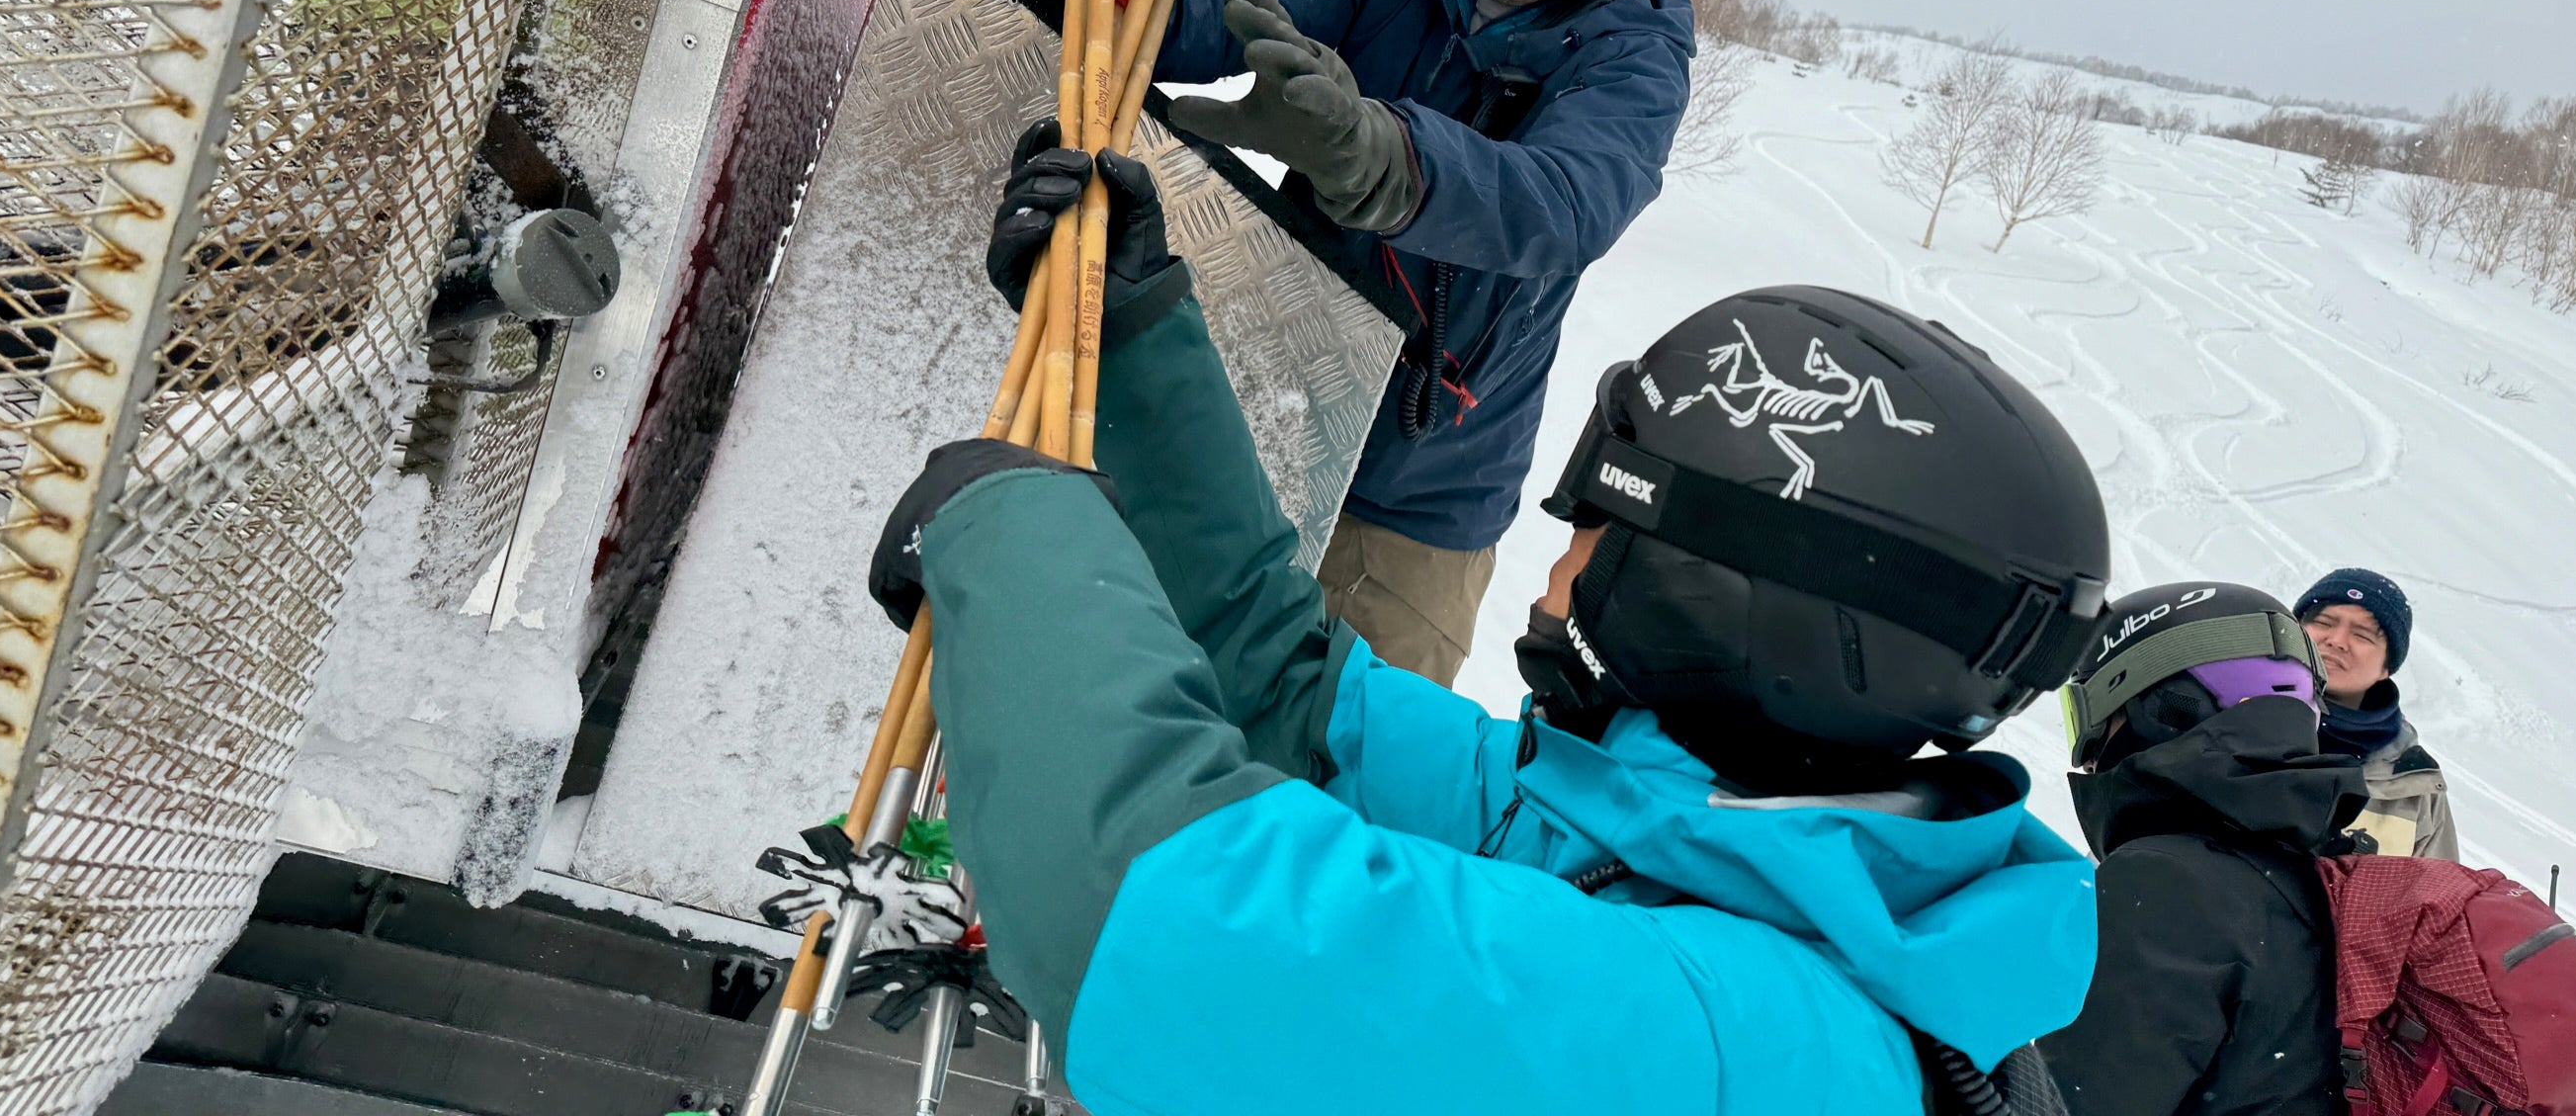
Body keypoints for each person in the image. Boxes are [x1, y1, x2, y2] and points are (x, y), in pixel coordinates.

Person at [858, 141, 2116, 1115]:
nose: (1550, 560)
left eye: (1597, 530)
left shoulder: (1744, 1050)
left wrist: (1013, 538)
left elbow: (1161, 921)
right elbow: (1292, 694)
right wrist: (1136, 341)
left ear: (1742, 618)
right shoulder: (1675, 825)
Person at [929, 0, 1700, 685]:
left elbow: (1562, 204)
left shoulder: (1635, 52)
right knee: (1141, 721)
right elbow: (1231, 12)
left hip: (1412, 503)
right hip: (1260, 419)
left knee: (1348, 816)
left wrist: (1387, 157)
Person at [2039, 582, 2370, 1116]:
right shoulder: (2333, 873)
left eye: (2089, 717)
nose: (2089, 752)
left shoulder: (2163, 882)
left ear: (2161, 707)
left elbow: (2068, 1105)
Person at [2293, 566, 2458, 860]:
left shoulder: (2414, 785)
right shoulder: (2229, 714)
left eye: (2362, 635)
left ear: (2388, 667)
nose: (2337, 641)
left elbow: (2436, 899)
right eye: (2324, 622)